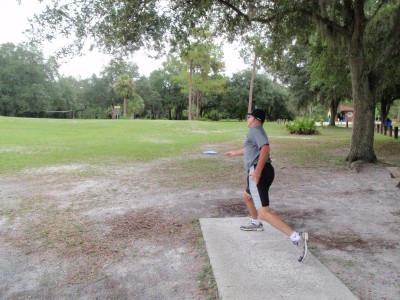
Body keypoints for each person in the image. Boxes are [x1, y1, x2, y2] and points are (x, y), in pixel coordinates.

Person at [224, 109, 309, 262]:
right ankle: (256, 223)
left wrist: (257, 172)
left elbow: (265, 147)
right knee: (247, 196)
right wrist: (234, 153)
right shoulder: (256, 131)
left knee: (264, 212)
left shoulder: (255, 130)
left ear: (255, 119)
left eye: (248, 117)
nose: (247, 120)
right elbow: (251, 149)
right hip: (265, 170)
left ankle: (297, 237)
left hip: (259, 171)